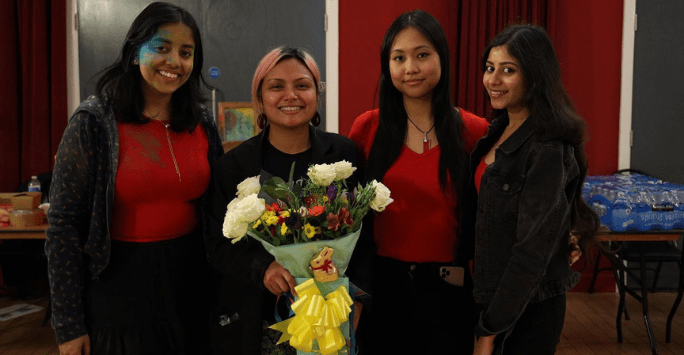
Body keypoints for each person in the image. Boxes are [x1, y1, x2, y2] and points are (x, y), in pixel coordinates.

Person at [45, 2, 223, 354]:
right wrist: (68, 324)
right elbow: (63, 226)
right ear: (133, 53)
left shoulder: (201, 122)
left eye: (186, 53)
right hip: (118, 290)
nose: (175, 61)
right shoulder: (94, 122)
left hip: (191, 285)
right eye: (161, 47)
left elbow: (218, 209)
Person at [348, 10, 489, 354]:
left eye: (422, 55)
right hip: (381, 288)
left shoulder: (475, 131)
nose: (410, 68)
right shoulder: (367, 129)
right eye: (399, 58)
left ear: (442, 58)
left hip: (449, 289)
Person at [205, 46, 362, 355]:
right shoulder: (233, 166)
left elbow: (365, 237)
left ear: (316, 95)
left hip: (332, 317)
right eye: (276, 86)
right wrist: (263, 268)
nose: (290, 95)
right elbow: (216, 244)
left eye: (302, 85)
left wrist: (357, 300)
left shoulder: (344, 155)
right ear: (260, 99)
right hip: (259, 320)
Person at [468, 24, 602, 355]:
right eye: (489, 68)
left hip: (523, 311)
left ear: (535, 75)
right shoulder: (496, 130)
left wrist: (490, 328)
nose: (493, 80)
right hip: (488, 294)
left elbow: (531, 252)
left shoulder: (547, 147)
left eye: (508, 71)